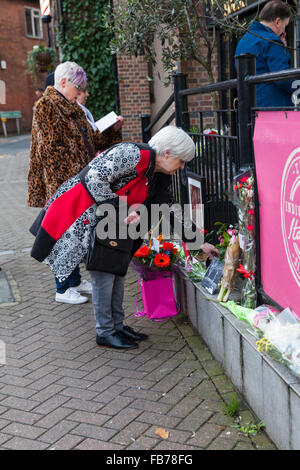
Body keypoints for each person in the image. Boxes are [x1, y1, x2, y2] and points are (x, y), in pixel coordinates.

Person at [29, 126, 220, 350]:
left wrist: (198, 243)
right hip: (82, 214)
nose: (182, 167)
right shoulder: (133, 153)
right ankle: (105, 331)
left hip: (112, 223)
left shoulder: (159, 174)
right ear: (167, 153)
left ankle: (116, 327)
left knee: (116, 271)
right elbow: (93, 179)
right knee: (103, 274)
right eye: (181, 160)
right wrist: (121, 211)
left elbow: (168, 208)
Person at [28, 61, 123, 304]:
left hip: (77, 182)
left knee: (77, 232)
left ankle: (74, 280)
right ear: (63, 83)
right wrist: (74, 180)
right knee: (64, 234)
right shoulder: (46, 106)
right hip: (64, 184)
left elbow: (93, 140)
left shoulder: (72, 107)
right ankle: (62, 288)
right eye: (77, 86)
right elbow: (50, 151)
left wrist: (112, 130)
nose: (80, 91)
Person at [235, 0, 293, 107]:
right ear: (278, 22)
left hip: (249, 110)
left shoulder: (243, 41)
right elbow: (283, 79)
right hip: (274, 109)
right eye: (285, 26)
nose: (284, 31)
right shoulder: (272, 40)